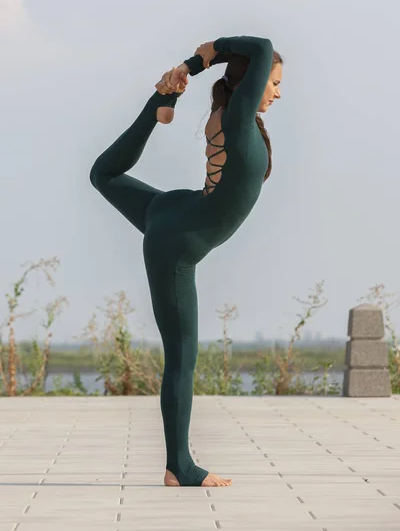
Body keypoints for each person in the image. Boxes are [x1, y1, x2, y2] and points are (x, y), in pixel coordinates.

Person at [89, 36, 283, 487]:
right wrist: (195, 62)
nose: (277, 92)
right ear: (251, 83)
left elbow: (255, 54)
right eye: (272, 83)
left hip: (175, 212)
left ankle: (157, 107)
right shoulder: (236, 119)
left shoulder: (233, 117)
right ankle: (180, 466)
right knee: (182, 356)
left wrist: (174, 84)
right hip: (176, 242)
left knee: (103, 175)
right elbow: (261, 44)